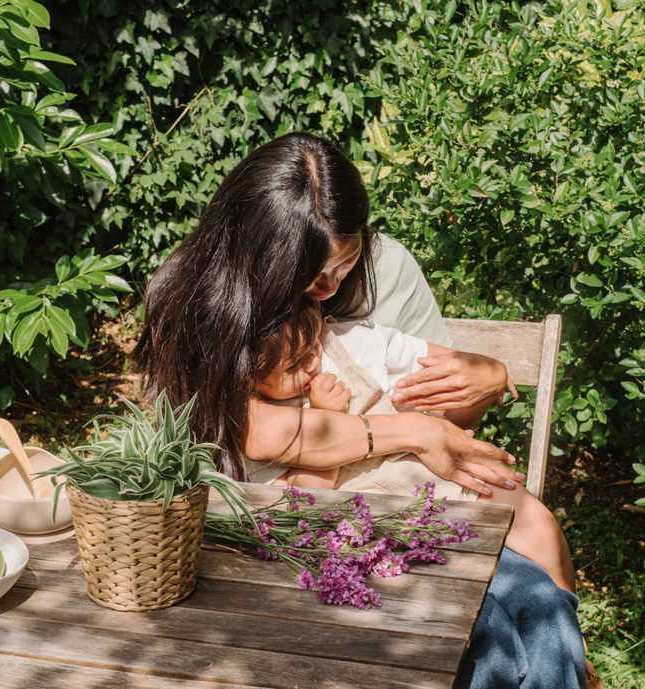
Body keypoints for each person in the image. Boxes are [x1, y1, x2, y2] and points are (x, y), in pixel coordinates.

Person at [132, 131, 587, 688]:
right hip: (261, 529)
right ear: (260, 254)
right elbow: (253, 430)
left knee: (534, 599)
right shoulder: (196, 295)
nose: (326, 288)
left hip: (395, 505)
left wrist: (486, 380)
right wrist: (412, 431)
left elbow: (443, 419)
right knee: (494, 632)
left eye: (343, 266)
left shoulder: (383, 270)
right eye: (308, 273)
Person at [250, 297, 575, 591]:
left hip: (439, 476)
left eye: (313, 349)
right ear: (250, 377)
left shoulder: (354, 344)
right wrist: (325, 420)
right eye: (293, 366)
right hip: (380, 524)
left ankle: (573, 635)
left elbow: (449, 369)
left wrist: (486, 374)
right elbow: (309, 500)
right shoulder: (260, 416)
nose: (311, 364)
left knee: (543, 530)